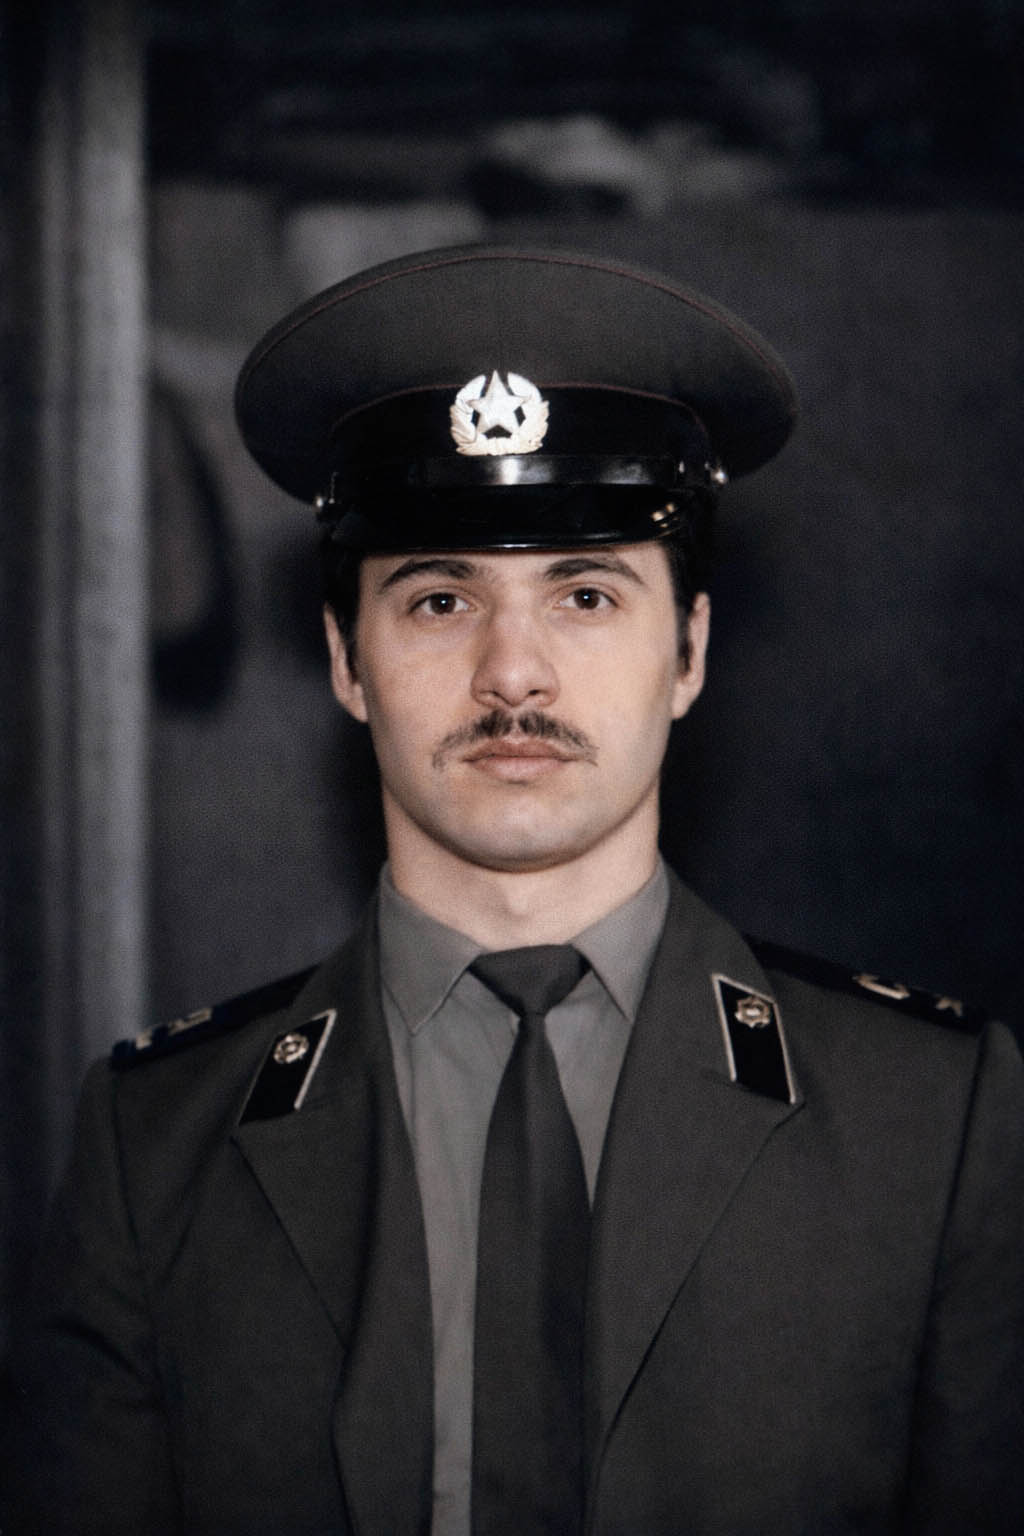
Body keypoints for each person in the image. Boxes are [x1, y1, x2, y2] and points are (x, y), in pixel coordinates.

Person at [3, 244, 1022, 1535]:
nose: (514, 673)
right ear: (346, 661)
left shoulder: (931, 1129)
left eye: (585, 593)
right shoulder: (153, 1153)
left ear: (690, 650)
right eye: (440, 600)